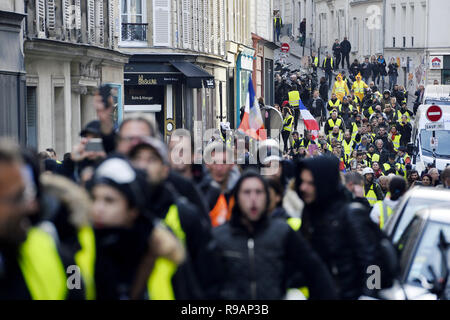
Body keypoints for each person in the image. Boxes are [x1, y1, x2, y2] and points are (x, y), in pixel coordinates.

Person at [212, 170, 338, 300]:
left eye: (259, 192)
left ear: (267, 197)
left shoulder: (281, 232)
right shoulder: (220, 236)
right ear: (237, 198)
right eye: (247, 192)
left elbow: (314, 269)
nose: (253, 199)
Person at [128, 137, 218, 299]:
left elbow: (207, 275)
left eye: (151, 159)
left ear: (164, 170)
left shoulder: (185, 214)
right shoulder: (120, 214)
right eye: (138, 159)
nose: (143, 166)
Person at [296, 156, 378, 299]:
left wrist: (369, 296)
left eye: (310, 183)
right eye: (302, 182)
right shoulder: (309, 214)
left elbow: (373, 264)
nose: (303, 187)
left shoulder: (351, 215)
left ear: (324, 183)